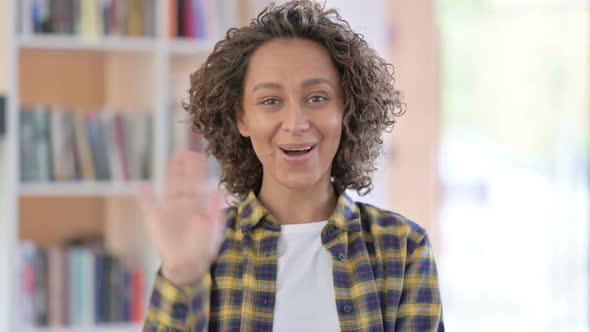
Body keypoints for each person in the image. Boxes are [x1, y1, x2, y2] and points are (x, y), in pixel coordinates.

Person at [139, 1, 444, 331]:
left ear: (346, 110)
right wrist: (181, 276)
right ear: (242, 118)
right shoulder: (205, 249)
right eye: (270, 101)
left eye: (317, 97)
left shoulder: (402, 248)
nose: (296, 123)